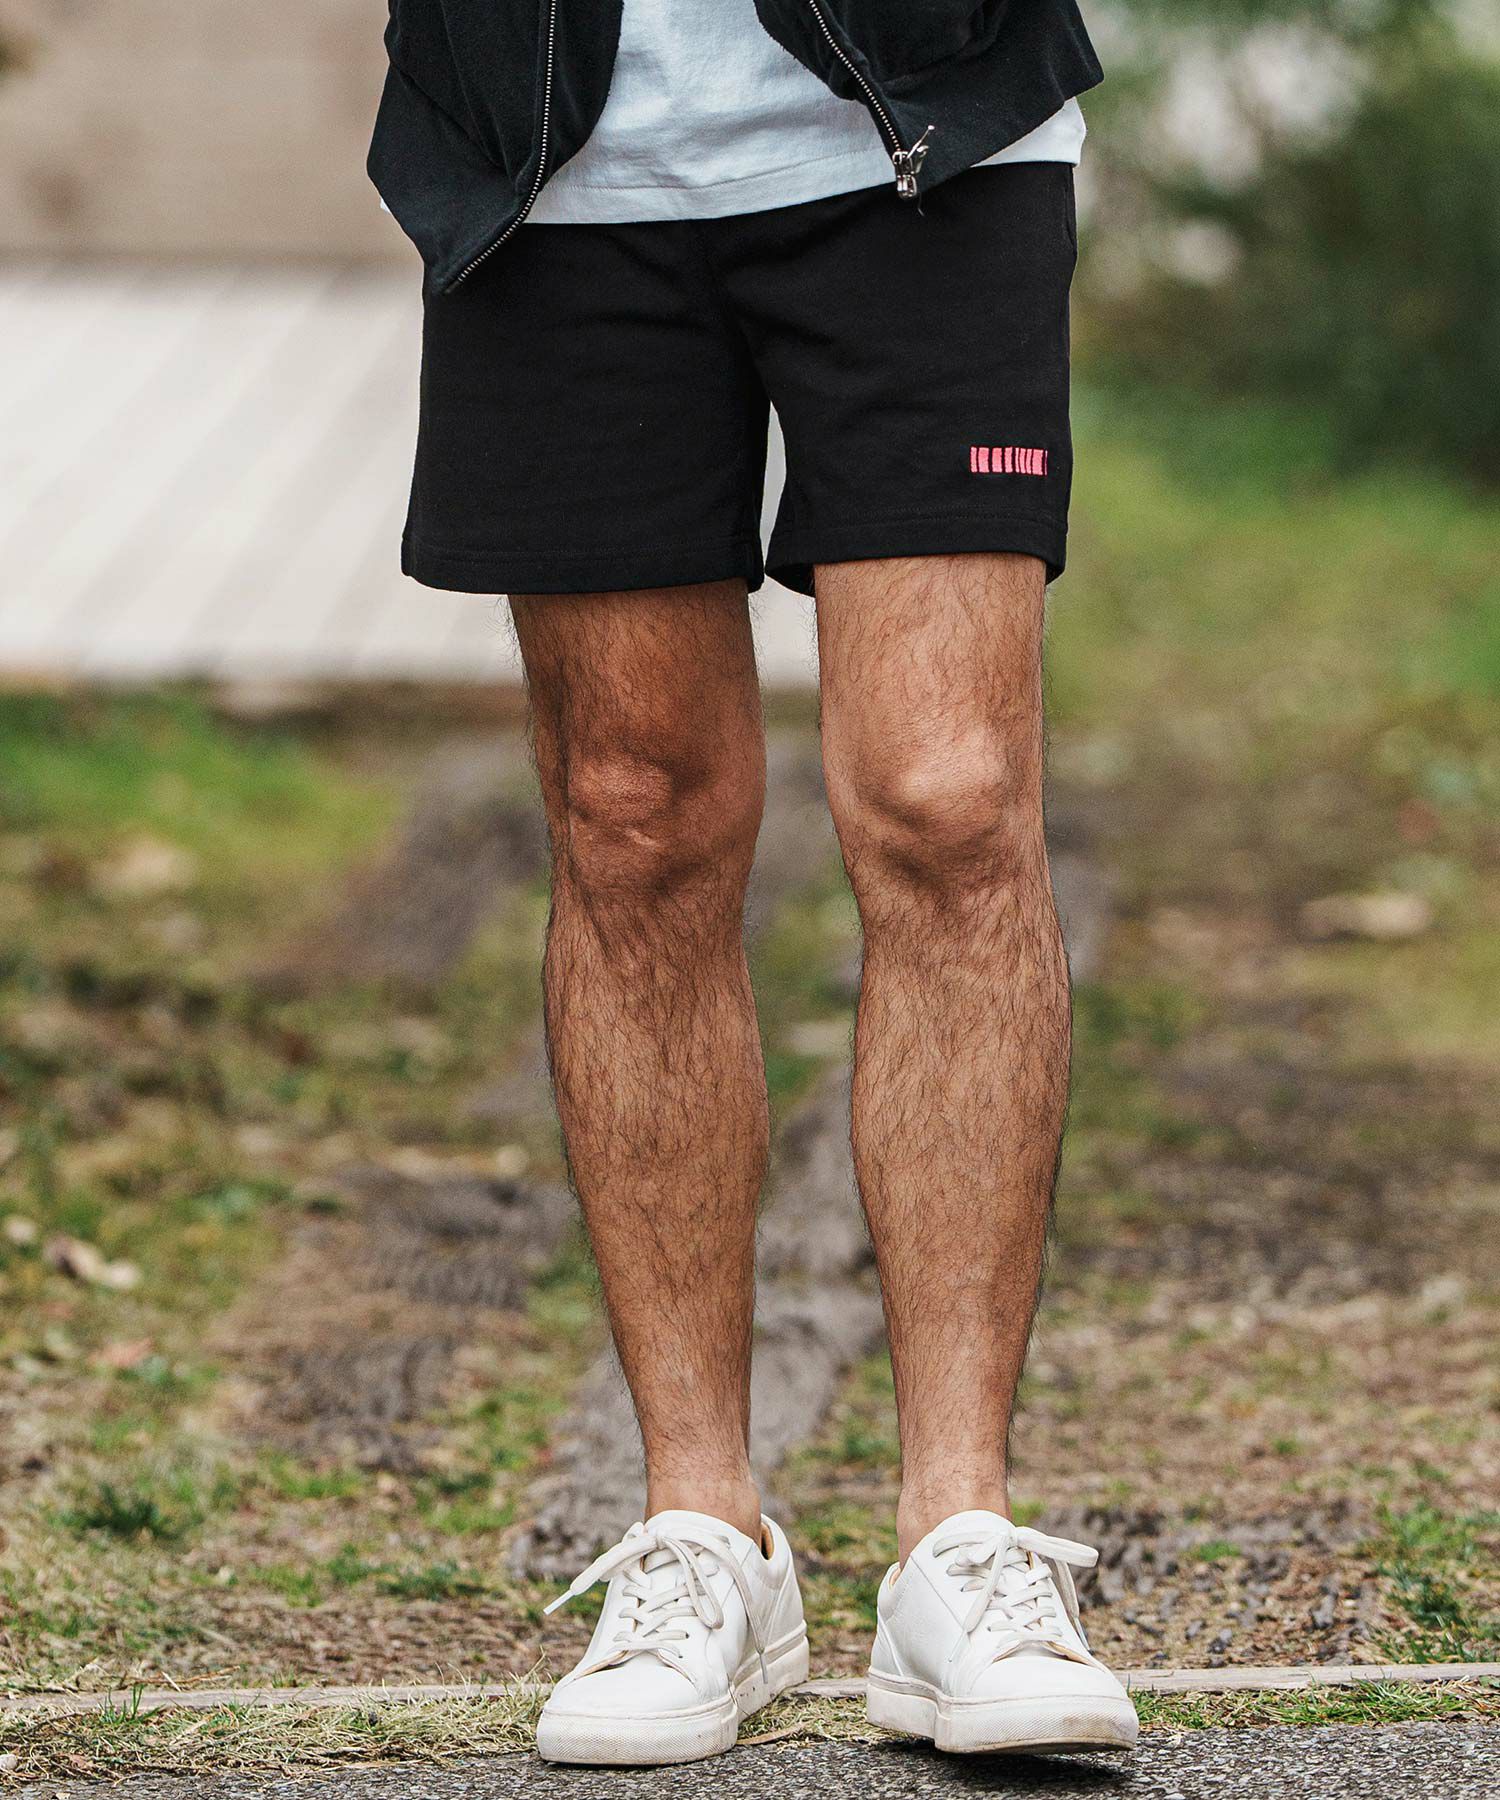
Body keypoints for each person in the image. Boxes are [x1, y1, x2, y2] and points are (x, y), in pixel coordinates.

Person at [370, 0, 1137, 1767]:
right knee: (631, 818)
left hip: (921, 130)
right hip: (549, 164)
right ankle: (701, 1536)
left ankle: (962, 1542)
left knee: (950, 801)